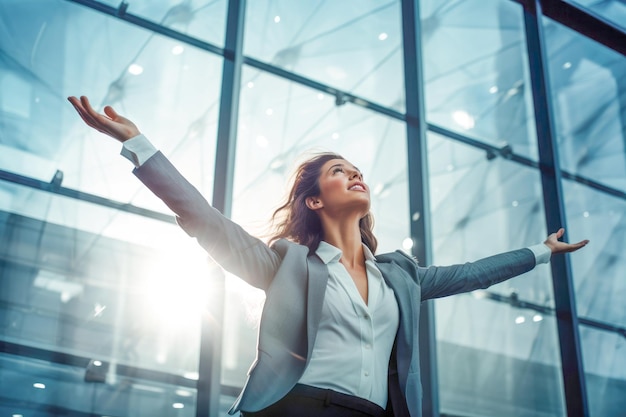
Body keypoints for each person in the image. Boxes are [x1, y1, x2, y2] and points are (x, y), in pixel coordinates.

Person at [68, 95, 588, 417]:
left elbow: (474, 274)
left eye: (356, 168)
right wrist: (139, 145)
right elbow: (205, 219)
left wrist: (541, 253)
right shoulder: (286, 264)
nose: (354, 173)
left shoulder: (401, 277)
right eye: (339, 170)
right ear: (314, 200)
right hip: (297, 409)